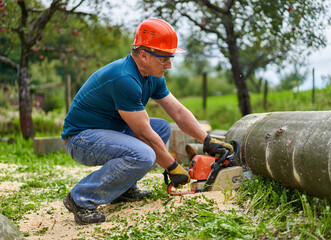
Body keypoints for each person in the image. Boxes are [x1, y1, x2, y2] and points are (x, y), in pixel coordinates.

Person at [61, 18, 233, 225]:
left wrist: (206, 139)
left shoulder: (152, 75)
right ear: (143, 55)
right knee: (143, 154)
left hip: (107, 131)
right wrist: (172, 166)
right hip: (81, 139)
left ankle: (122, 190)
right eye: (164, 59)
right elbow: (143, 134)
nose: (169, 65)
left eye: (170, 58)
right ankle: (80, 199)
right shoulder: (124, 78)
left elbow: (177, 112)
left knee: (160, 128)